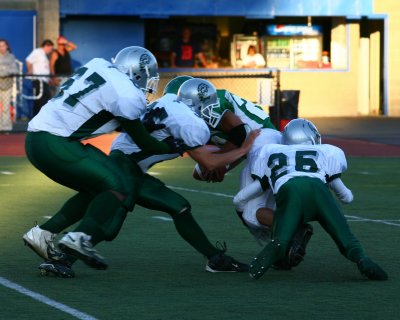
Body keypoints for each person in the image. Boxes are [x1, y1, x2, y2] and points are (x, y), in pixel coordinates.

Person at [35, 75, 259, 277]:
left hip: (123, 160)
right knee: (112, 217)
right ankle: (64, 256)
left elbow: (182, 145)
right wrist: (243, 149)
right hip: (127, 167)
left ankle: (215, 258)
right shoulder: (190, 122)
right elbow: (207, 162)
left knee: (177, 206)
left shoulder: (168, 103)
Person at [22, 46, 188, 277]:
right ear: (138, 73)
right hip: (55, 142)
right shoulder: (127, 94)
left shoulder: (99, 64)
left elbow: (105, 112)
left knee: (97, 189)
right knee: (119, 184)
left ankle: (43, 233)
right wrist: (172, 146)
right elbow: (145, 143)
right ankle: (80, 237)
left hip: (36, 141)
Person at [177, 78, 314, 269]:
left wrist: (219, 165)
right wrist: (219, 165)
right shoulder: (206, 107)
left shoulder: (214, 102)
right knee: (205, 174)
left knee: (250, 212)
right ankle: (284, 249)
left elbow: (241, 133)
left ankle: (293, 231)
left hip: (261, 145)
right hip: (263, 145)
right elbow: (235, 147)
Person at [243, 118, 388, 281]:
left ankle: (269, 257)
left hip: (290, 192)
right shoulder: (326, 152)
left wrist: (238, 201)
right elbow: (345, 196)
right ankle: (362, 259)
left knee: (281, 238)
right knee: (345, 236)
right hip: (320, 192)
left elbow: (253, 189)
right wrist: (347, 196)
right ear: (310, 137)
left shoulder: (270, 152)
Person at [25, 39, 54, 117]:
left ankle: (42, 116)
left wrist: (49, 79)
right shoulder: (37, 52)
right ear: (46, 46)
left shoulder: (44, 55)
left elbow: (44, 69)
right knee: (40, 99)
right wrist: (30, 70)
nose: (50, 51)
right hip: (38, 80)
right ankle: (36, 116)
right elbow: (28, 60)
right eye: (50, 48)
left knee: (46, 98)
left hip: (45, 80)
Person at [0, 39, 18, 131]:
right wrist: (6, 71)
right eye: (0, 46)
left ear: (6, 46)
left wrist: (3, 71)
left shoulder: (11, 57)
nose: (1, 47)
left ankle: (6, 128)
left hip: (7, 85)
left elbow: (14, 70)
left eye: (3, 45)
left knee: (6, 108)